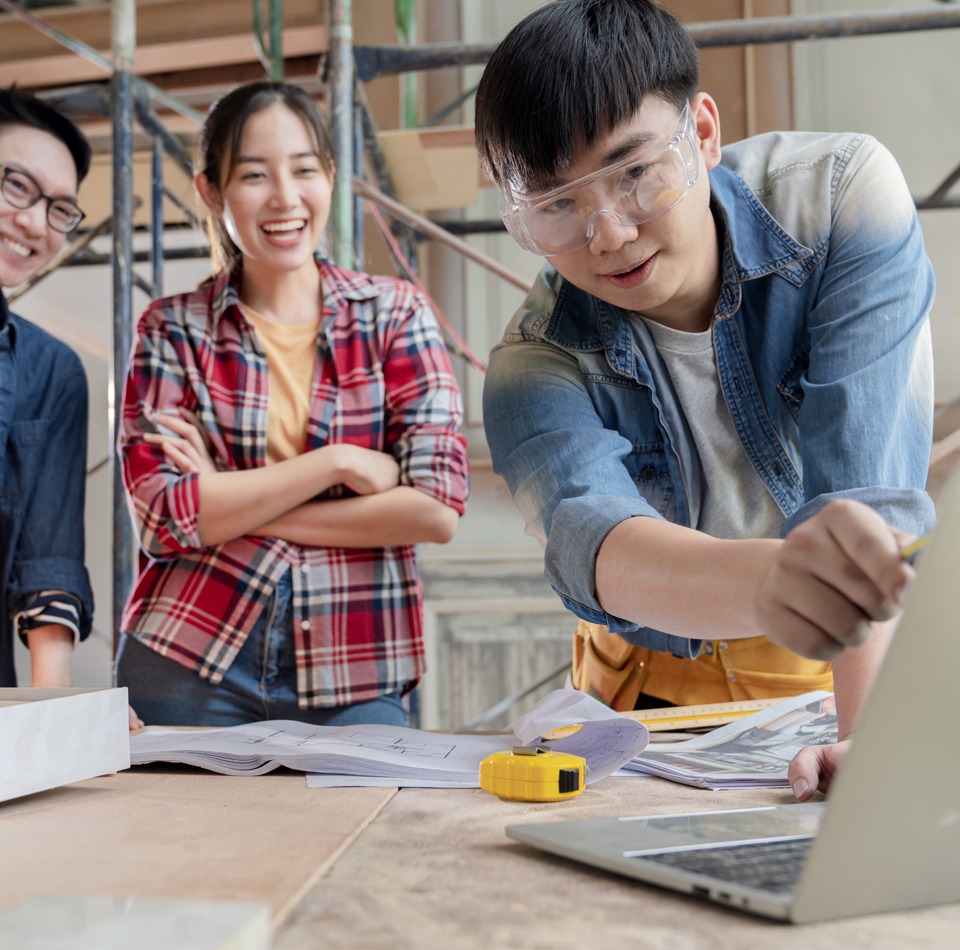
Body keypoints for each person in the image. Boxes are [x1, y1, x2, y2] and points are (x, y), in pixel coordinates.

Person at [476, 0, 933, 798]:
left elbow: (868, 502)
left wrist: (863, 740)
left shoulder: (840, 201)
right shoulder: (531, 364)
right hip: (648, 702)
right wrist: (777, 579)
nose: (609, 232)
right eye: (557, 205)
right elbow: (602, 544)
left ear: (704, 132)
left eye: (635, 172)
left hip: (844, 666)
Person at [115, 82, 468, 727]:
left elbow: (436, 509)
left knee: (366, 827)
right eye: (254, 175)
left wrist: (226, 495)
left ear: (330, 177)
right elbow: (164, 518)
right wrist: (335, 464)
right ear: (212, 192)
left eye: (304, 169)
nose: (284, 197)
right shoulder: (171, 329)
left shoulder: (394, 314)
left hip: (358, 660)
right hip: (189, 652)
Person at [0, 87, 97, 694]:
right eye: (16, 186)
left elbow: (48, 561)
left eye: (60, 209)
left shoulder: (50, 371)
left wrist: (55, 712)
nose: (35, 222)